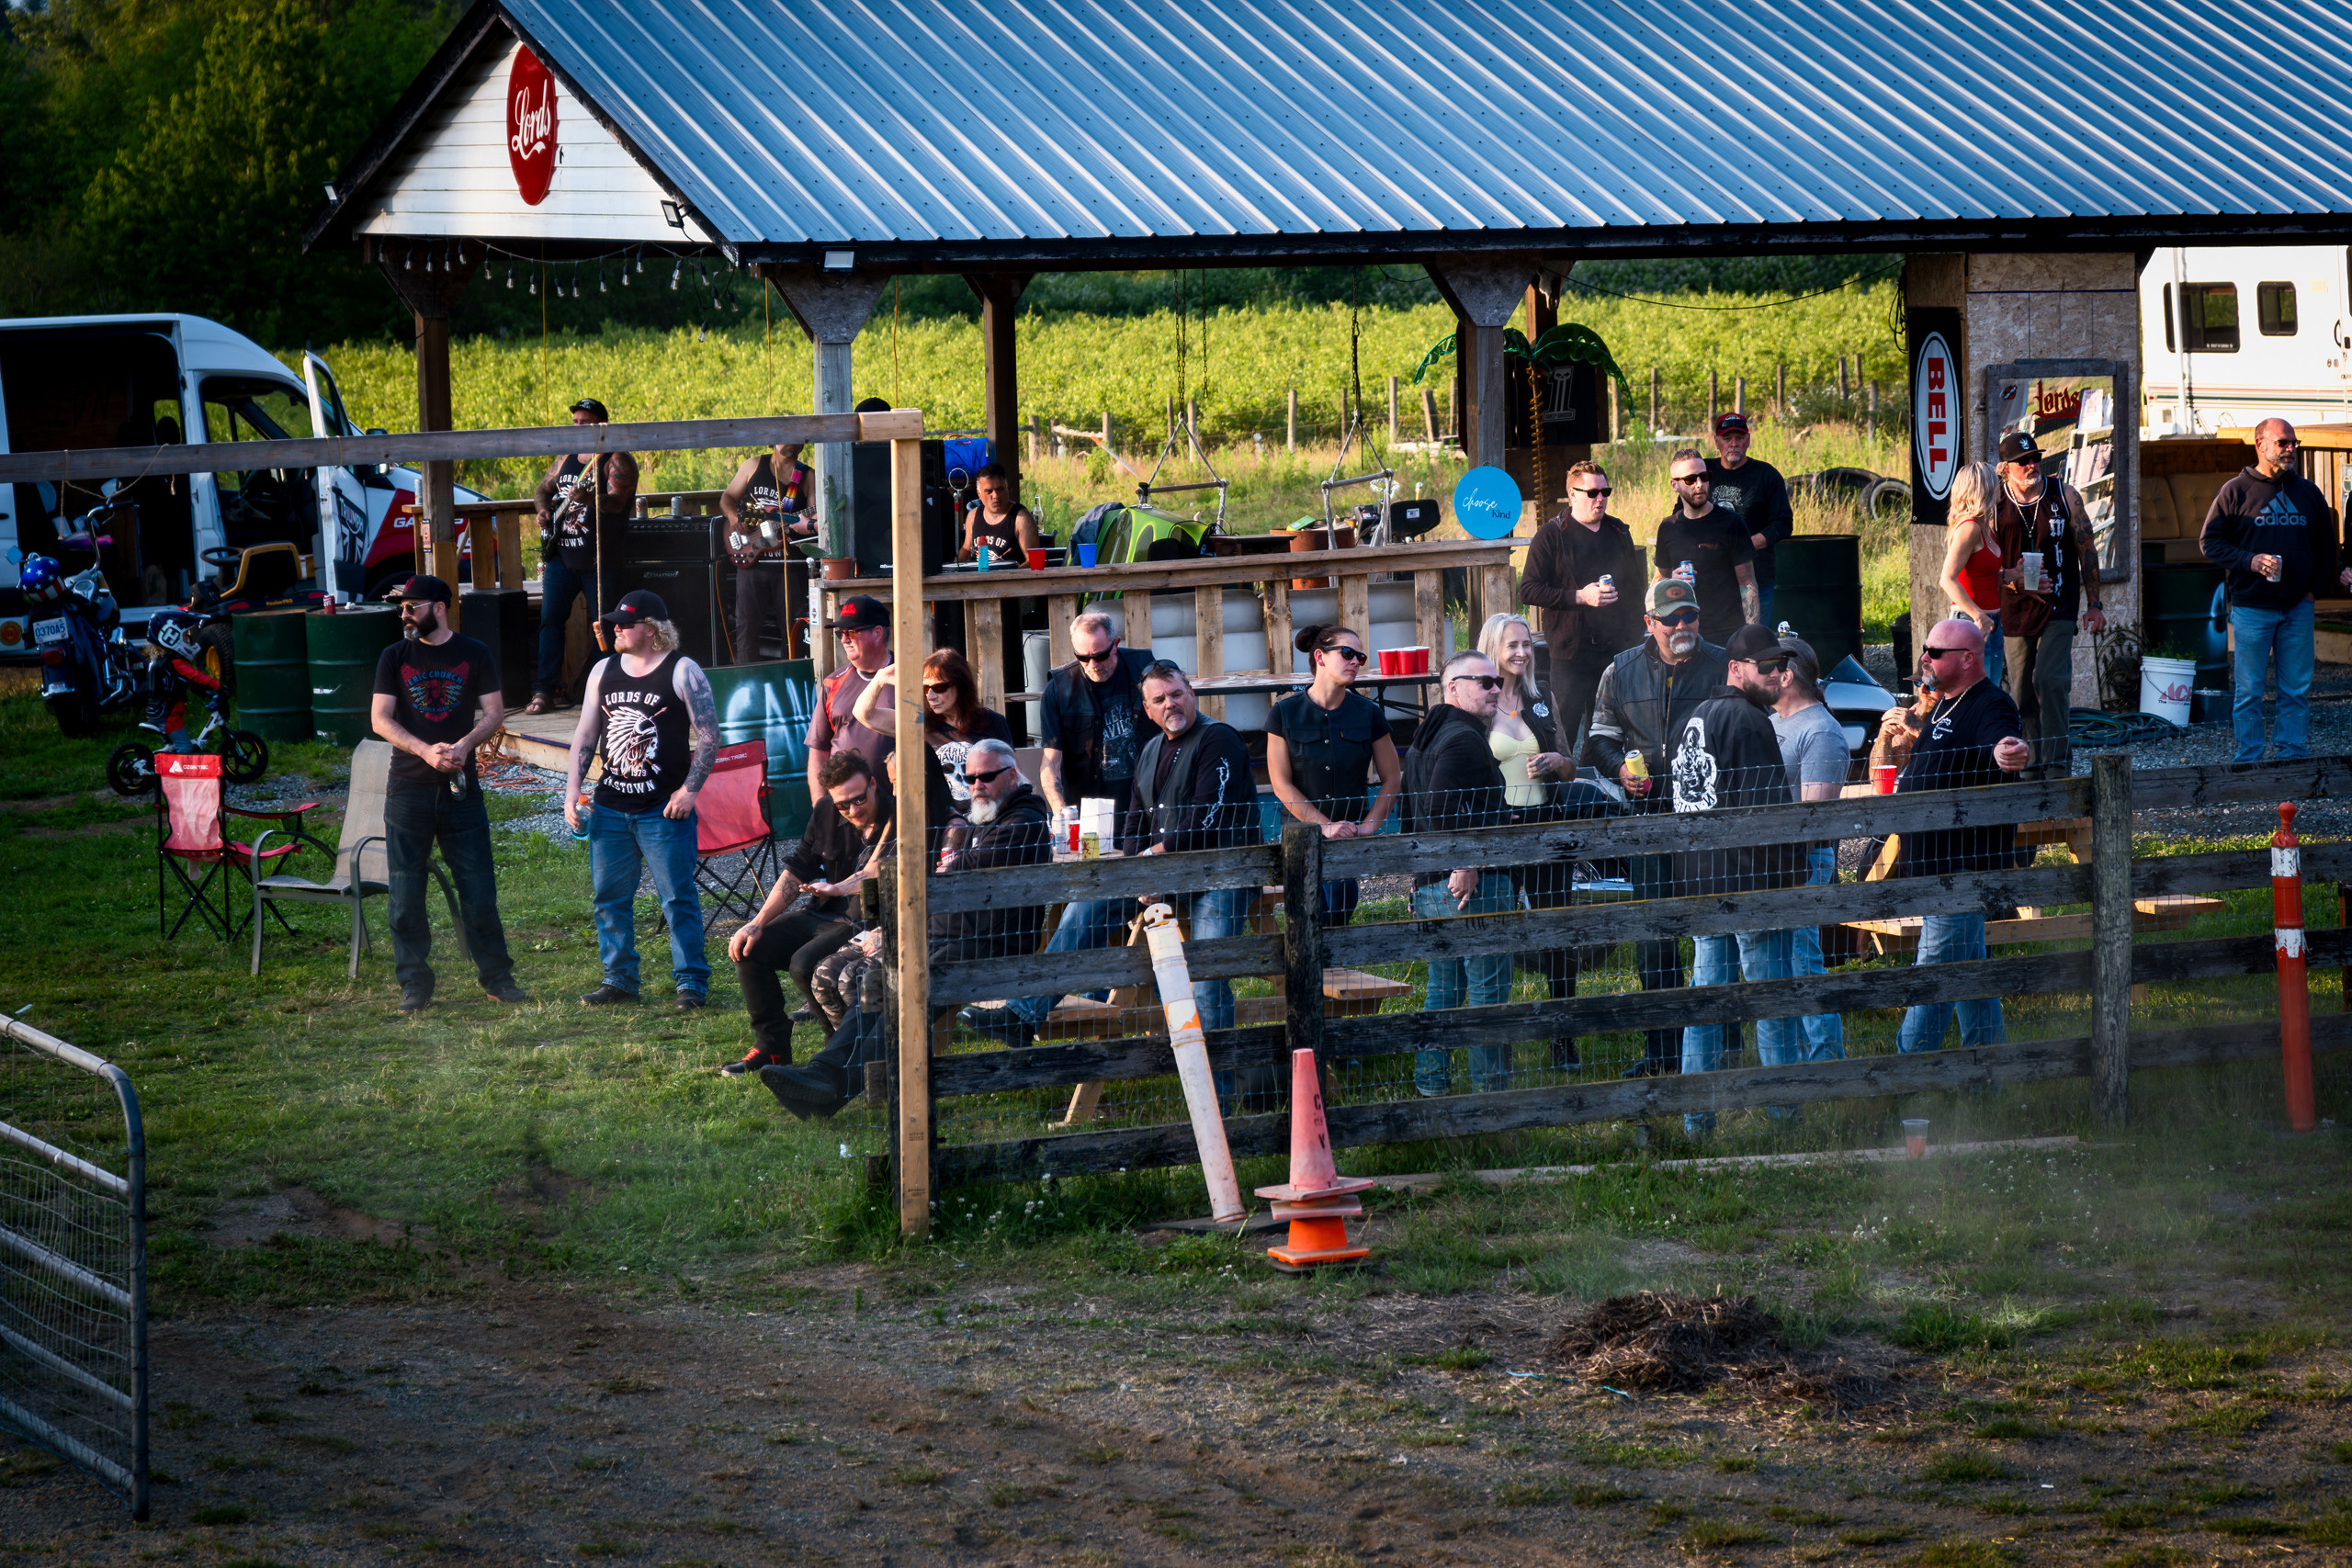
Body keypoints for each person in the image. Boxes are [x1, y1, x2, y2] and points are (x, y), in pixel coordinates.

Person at [763, 740, 1053, 1117]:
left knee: (907, 996)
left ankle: (831, 1085)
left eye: (987, 777)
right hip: (950, 937)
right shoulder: (987, 816)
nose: (977, 785)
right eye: (971, 778)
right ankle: (824, 1075)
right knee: (878, 981)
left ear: (1012, 775)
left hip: (990, 947)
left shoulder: (1023, 820)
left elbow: (963, 871)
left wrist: (948, 867)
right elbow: (951, 868)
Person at [1581, 577, 1730, 1077]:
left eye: (1690, 616)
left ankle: (1723, 1049)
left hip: (1710, 823)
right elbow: (1598, 738)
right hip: (1646, 823)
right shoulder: (1619, 671)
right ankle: (1663, 1053)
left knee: (1716, 935)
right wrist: (1620, 771)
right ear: (1649, 623)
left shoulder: (1722, 664)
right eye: (1671, 620)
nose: (1683, 626)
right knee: (1655, 940)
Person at [1671, 623, 1806, 1131]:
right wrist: (1787, 880)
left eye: (1781, 666)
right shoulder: (1749, 722)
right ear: (1735, 668)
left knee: (1707, 998)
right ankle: (1784, 1114)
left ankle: (1696, 1118)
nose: (1778, 675)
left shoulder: (1696, 716)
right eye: (1767, 667)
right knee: (1770, 997)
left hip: (1704, 883)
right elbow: (1768, 815)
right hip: (1751, 884)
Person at [368, 574, 525, 1014]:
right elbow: (380, 719)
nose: (403, 614)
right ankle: (414, 985)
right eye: (401, 607)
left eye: (411, 606)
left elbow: (494, 713)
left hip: (461, 789)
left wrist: (461, 747)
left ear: (439, 607)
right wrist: (424, 750)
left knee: (478, 890)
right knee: (405, 894)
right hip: (407, 788)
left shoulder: (474, 653)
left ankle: (497, 978)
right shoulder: (393, 656)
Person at [563, 591, 719, 1009]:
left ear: (650, 630)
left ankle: (691, 984)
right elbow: (584, 734)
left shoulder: (682, 670)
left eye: (624, 623)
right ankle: (619, 980)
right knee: (609, 898)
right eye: (615, 621)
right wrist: (571, 793)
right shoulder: (603, 670)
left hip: (662, 810)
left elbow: (709, 735)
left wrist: (690, 790)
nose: (615, 628)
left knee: (677, 898)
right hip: (610, 806)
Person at [1119, 663, 1265, 1102]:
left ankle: (1217, 1095)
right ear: (1148, 710)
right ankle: (1027, 1008)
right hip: (1168, 879)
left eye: (1177, 694)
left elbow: (1207, 818)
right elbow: (1133, 821)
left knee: (1206, 980)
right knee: (1082, 907)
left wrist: (1151, 863)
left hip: (1225, 875)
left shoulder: (1217, 737)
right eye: (1160, 699)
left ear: (1191, 693)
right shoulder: (1148, 751)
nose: (1171, 704)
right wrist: (1135, 869)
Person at [1893, 618, 2033, 1053]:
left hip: (1962, 867)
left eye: (1934, 652)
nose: (1924, 658)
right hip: (1937, 864)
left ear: (1968, 659)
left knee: (1935, 970)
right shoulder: (1943, 703)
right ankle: (1989, 1065)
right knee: (1971, 969)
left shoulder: (1991, 704)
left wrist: (2008, 752)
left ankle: (1909, 1070)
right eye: (1926, 649)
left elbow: (2004, 742)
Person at [719, 750, 890, 1076]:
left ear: (872, 785)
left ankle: (836, 1052)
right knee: (751, 947)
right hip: (823, 913)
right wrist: (756, 923)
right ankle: (773, 1048)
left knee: (803, 963)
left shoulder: (895, 812)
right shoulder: (826, 811)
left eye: (858, 799)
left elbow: (876, 871)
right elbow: (797, 870)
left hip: (866, 921)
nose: (852, 810)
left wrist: (839, 888)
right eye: (843, 804)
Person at [2199, 418, 2352, 763]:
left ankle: (2292, 756)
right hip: (2253, 607)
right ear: (2260, 444)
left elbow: (2328, 547)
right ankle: (2249, 759)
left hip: (2298, 607)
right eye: (2283, 443)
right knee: (2250, 690)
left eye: (2293, 443)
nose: (2290, 449)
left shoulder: (2308, 492)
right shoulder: (2235, 491)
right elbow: (2209, 542)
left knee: (2295, 690)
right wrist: (2249, 561)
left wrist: (2314, 591)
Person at [1400, 650, 1515, 1098]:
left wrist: (1418, 878)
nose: (1495, 689)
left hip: (1432, 884)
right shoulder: (1462, 739)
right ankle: (1491, 1096)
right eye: (1484, 682)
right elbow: (1439, 808)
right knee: (1488, 993)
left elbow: (1415, 818)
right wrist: (1468, 861)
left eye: (1497, 682)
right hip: (1470, 886)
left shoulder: (1426, 737)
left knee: (1444, 991)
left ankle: (1432, 1087)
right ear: (1453, 688)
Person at [1478, 613, 1580, 1070]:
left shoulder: (1542, 702)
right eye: (1511, 645)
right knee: (1497, 934)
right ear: (1492, 649)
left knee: (1557, 933)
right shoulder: (1479, 704)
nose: (1521, 653)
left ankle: (1562, 1037)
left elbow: (1572, 767)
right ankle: (1497, 1045)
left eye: (1527, 645)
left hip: (1546, 826)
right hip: (1501, 830)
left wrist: (1558, 758)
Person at [1264, 622, 1402, 928]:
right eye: (1348, 653)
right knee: (1307, 924)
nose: (1356, 661)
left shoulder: (1369, 713)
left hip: (1346, 840)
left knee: (1337, 913)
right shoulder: (1283, 714)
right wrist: (1324, 826)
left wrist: (1368, 827)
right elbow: (1280, 782)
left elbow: (1392, 777)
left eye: (1360, 657)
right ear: (1321, 656)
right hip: (1300, 837)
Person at [1992, 430, 2106, 781]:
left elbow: (2087, 550)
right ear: (2005, 468)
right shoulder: (1994, 503)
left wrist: (2095, 604)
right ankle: (2030, 762)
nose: (2031, 465)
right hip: (2016, 607)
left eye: (2035, 458)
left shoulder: (2064, 494)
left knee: (2050, 679)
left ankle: (2057, 764)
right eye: (2023, 461)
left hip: (2059, 603)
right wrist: (2010, 579)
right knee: (2021, 688)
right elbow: (1985, 566)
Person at [1518, 460, 1645, 756]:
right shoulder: (1551, 535)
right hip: (1571, 651)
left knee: (1609, 729)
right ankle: (1558, 794)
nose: (1600, 499)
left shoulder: (1618, 532)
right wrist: (1579, 597)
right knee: (1563, 728)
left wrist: (1636, 634)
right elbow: (1528, 590)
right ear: (1572, 494)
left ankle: (1598, 793)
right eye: (1592, 493)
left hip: (1617, 649)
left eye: (1605, 492)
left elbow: (1634, 589)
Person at [1768, 635, 1850, 1062]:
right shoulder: (1775, 720)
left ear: (1786, 675)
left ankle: (1826, 1061)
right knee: (1780, 964)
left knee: (1804, 961)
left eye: (1768, 666)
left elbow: (1813, 819)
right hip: (1772, 862)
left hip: (1804, 862)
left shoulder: (1820, 731)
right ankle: (1796, 1057)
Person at [527, 397, 639, 715]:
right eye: (575, 422)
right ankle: (544, 690)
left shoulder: (616, 461)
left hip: (598, 559)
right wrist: (543, 511)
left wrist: (590, 497)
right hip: (561, 556)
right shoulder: (566, 458)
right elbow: (541, 490)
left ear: (602, 425)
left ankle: (605, 692)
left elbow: (618, 503)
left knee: (605, 626)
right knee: (550, 621)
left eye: (585, 422)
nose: (578, 427)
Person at [849, 648, 1015, 820]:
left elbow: (1013, 774)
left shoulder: (992, 721)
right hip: (942, 823)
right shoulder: (920, 723)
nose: (931, 696)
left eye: (939, 687)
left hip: (989, 819)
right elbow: (863, 714)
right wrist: (880, 678)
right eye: (925, 689)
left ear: (961, 685)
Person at [1038, 609, 1157, 817]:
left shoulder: (1144, 668)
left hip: (1145, 802)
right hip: (1090, 809)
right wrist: (1059, 810)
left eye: (1100, 656)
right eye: (1082, 657)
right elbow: (1051, 761)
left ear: (1115, 644)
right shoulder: (1058, 688)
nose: (1092, 665)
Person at [719, 441, 814, 663]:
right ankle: (746, 683)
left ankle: (789, 682)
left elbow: (814, 519)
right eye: (783, 436)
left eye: (796, 437)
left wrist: (805, 524)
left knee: (791, 632)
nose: (790, 441)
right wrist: (734, 518)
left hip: (788, 567)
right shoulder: (753, 465)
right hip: (752, 562)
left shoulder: (807, 476)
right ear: (773, 440)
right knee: (746, 629)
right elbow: (727, 498)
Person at [1656, 448, 1758, 647]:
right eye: (1690, 480)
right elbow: (1659, 579)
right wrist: (1672, 581)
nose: (1699, 485)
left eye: (1704, 477)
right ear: (1674, 485)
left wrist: (1751, 636)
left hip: (1727, 634)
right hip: (1683, 633)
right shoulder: (1668, 528)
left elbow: (1748, 584)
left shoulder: (1732, 523)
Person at [1702, 413, 1793, 634]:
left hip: (1757, 581)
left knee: (1754, 647)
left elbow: (1783, 524)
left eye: (1739, 437)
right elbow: (1681, 514)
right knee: (1712, 648)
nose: (1733, 444)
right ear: (1716, 441)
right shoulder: (1703, 472)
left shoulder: (1766, 475)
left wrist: (1745, 546)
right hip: (1710, 581)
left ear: (1748, 440)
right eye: (1727, 438)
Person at [807, 594, 893, 803]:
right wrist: (821, 808)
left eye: (852, 632)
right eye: (841, 633)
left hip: (898, 806)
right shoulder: (833, 683)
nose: (844, 640)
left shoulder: (907, 677)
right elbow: (819, 751)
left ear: (877, 633)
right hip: (845, 808)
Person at [1936, 461, 2008, 690]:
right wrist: (1978, 616)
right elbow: (1947, 578)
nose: (2001, 489)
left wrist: (2012, 574)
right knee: (1974, 694)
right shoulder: (1969, 527)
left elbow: (1982, 576)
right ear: (1984, 489)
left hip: (1991, 620)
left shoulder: (1984, 527)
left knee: (1990, 691)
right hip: (1972, 621)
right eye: (1996, 484)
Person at [957, 462, 1045, 565]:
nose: (995, 495)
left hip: (1010, 578)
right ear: (979, 494)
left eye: (1000, 489)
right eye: (989, 491)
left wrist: (1010, 576)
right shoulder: (973, 516)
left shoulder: (1021, 518)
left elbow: (1034, 561)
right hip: (978, 578)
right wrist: (953, 568)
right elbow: (966, 549)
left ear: (1007, 489)